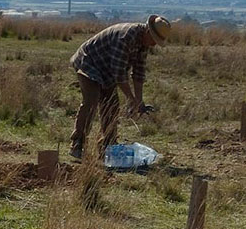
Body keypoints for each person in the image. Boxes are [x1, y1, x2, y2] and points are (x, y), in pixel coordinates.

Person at [68, 14, 171, 159]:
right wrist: (131, 99)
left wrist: (139, 101)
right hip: (89, 62)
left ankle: (108, 146)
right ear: (148, 32)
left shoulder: (143, 44)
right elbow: (119, 74)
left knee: (111, 107)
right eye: (154, 40)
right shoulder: (126, 37)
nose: (154, 44)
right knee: (91, 101)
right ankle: (77, 144)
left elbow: (138, 73)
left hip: (106, 70)